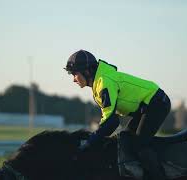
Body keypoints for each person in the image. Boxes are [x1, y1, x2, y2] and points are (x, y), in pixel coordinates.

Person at [64, 49, 171, 180]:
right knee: (125, 138)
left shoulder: (104, 82)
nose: (74, 79)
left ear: (86, 72)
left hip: (156, 103)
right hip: (146, 107)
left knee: (139, 145)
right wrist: (93, 138)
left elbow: (111, 123)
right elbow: (108, 119)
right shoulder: (98, 83)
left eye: (74, 74)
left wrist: (90, 141)